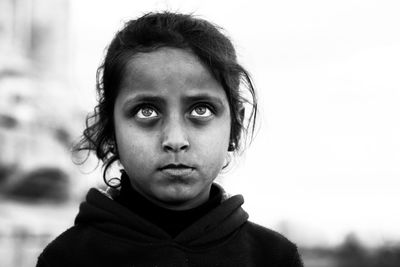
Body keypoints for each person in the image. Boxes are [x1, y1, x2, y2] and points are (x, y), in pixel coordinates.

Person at [36, 11, 303, 267]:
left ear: (236, 126)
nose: (175, 140)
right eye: (146, 111)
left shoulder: (273, 258)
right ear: (111, 128)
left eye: (201, 110)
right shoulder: (68, 259)